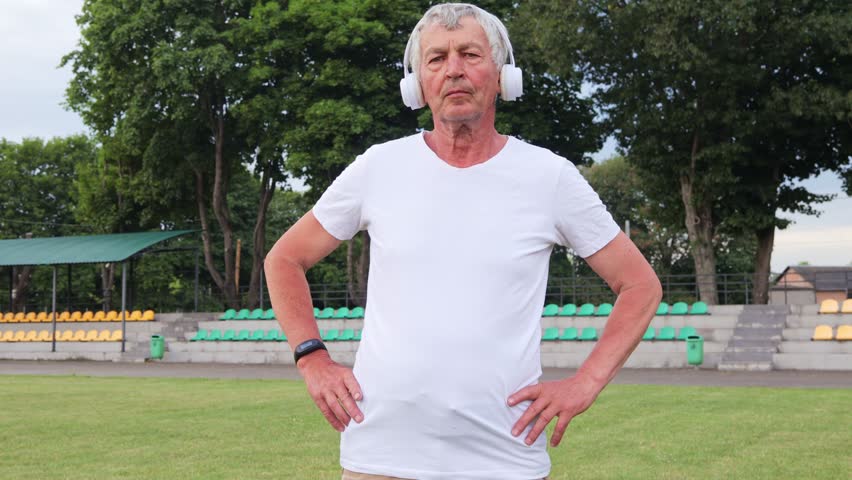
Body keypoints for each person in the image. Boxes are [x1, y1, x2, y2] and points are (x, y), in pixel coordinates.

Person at [264, 3, 662, 479]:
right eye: (436, 59)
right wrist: (313, 359)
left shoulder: (549, 177)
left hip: (504, 459)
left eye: (470, 54)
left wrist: (585, 383)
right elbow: (285, 258)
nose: (453, 69)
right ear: (417, 85)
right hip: (380, 456)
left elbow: (640, 286)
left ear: (501, 76)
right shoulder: (378, 168)